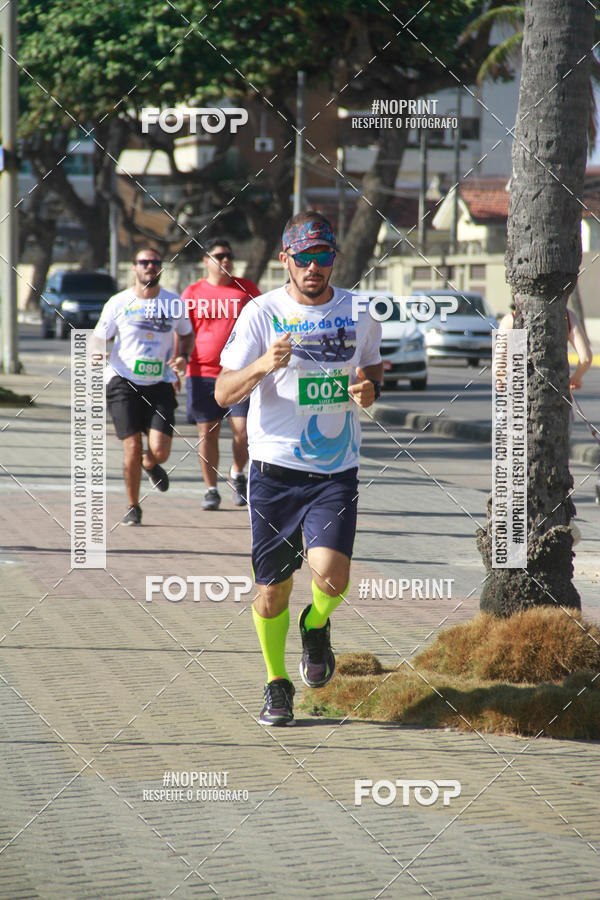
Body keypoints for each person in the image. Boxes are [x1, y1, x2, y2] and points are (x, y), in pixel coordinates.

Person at [215, 211, 383, 726]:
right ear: (285, 259)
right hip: (275, 472)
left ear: (335, 258)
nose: (314, 267)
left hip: (335, 470)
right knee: (271, 592)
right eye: (304, 257)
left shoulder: (359, 311)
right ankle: (276, 682)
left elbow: (372, 366)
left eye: (323, 256)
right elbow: (222, 391)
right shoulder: (261, 313)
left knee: (331, 579)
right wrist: (263, 365)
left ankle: (315, 625)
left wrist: (369, 390)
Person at [94, 248, 194, 525]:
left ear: (160, 268)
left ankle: (150, 464)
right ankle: (133, 505)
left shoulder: (173, 303)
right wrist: (97, 351)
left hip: (160, 382)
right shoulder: (118, 302)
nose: (150, 266)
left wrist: (183, 357)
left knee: (160, 451)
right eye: (144, 262)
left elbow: (187, 335)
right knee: (133, 446)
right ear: (134, 267)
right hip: (123, 381)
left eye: (155, 262)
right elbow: (99, 337)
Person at [182, 239, 260, 510]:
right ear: (206, 261)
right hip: (201, 372)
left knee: (244, 431)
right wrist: (177, 361)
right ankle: (211, 489)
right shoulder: (192, 293)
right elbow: (182, 332)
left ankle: (237, 472)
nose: (226, 260)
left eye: (229, 255)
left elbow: (263, 324)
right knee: (207, 433)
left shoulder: (246, 289)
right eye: (219, 256)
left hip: (239, 372)